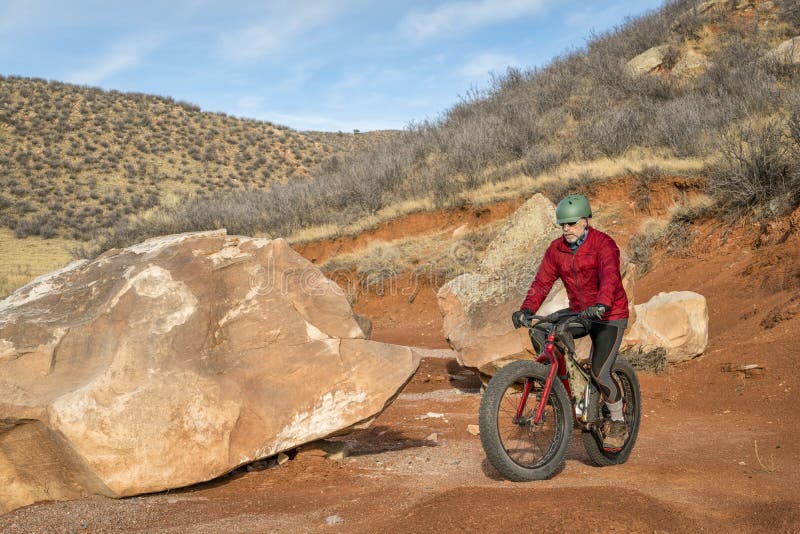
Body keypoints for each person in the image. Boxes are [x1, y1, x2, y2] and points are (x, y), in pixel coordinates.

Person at [511, 194, 630, 451]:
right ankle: (563, 386)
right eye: (562, 225)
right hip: (579, 312)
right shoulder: (557, 250)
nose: (566, 229)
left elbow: (610, 277)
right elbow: (542, 282)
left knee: (600, 371)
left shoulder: (604, 245)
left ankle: (618, 420)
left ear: (586, 221)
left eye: (572, 224)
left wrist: (602, 305)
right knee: (541, 330)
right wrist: (526, 309)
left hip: (609, 314)